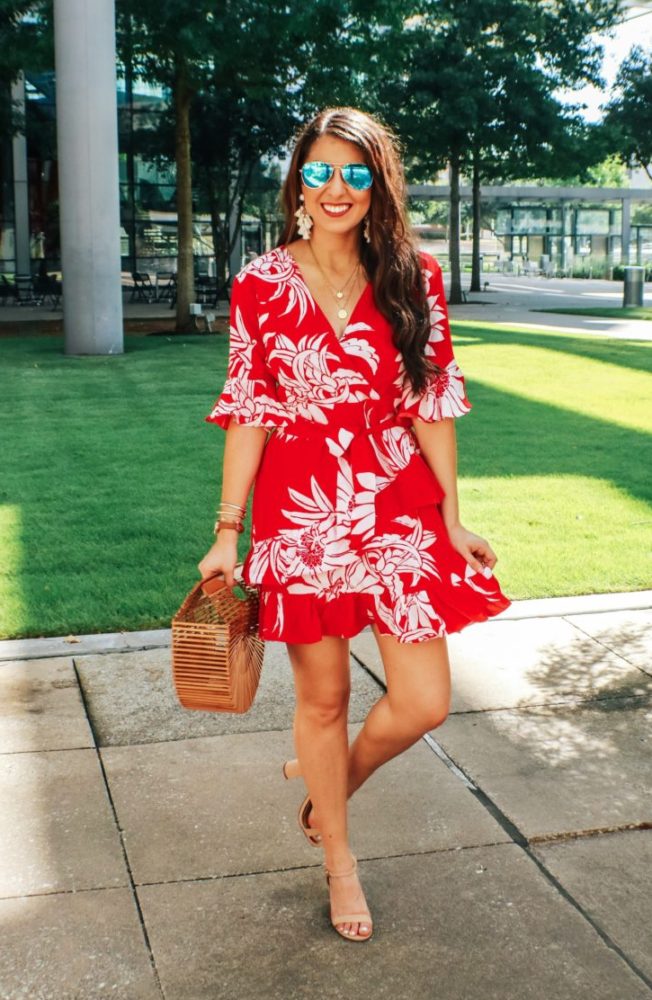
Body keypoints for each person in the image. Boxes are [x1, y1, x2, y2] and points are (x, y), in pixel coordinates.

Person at [199, 106, 511, 943]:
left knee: (423, 701)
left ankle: (333, 783)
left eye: (356, 173)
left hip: (397, 505)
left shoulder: (415, 278)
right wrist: (229, 531)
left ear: (379, 186)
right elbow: (251, 409)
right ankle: (339, 857)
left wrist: (452, 514)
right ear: (298, 183)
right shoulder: (260, 284)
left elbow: (433, 403)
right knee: (325, 697)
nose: (336, 188)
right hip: (303, 512)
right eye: (320, 171)